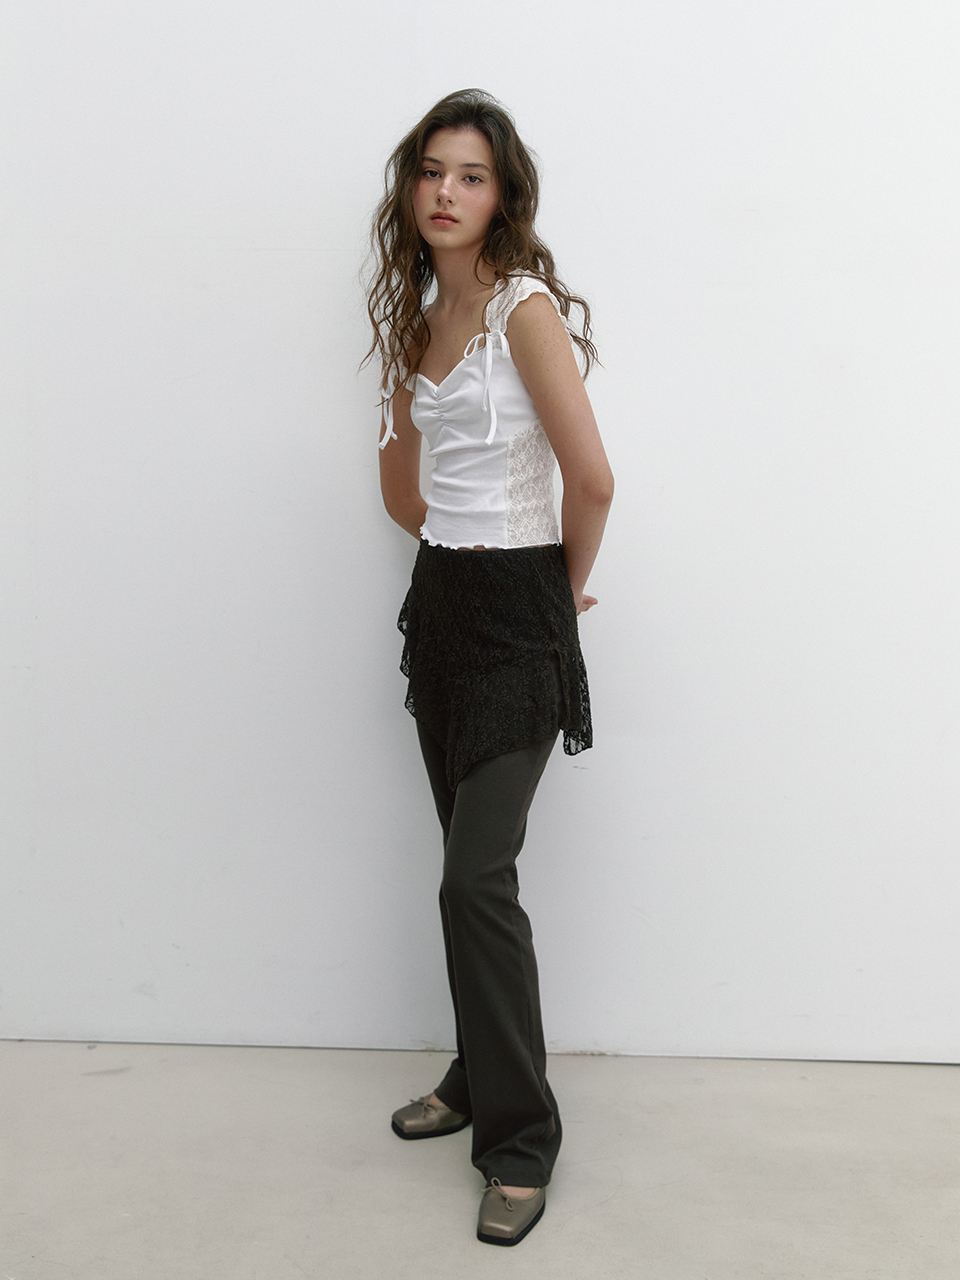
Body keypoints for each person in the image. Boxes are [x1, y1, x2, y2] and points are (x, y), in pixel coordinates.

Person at [366, 88, 614, 1247]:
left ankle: (520, 1143)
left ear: (502, 194)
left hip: (519, 612)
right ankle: (476, 1071)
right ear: (412, 189)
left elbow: (592, 478)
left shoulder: (524, 309)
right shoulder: (418, 322)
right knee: (461, 868)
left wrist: (557, 596)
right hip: (444, 610)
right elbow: (401, 493)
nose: (446, 191)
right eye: (432, 171)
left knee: (475, 880)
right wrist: (450, 542)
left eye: (470, 174)